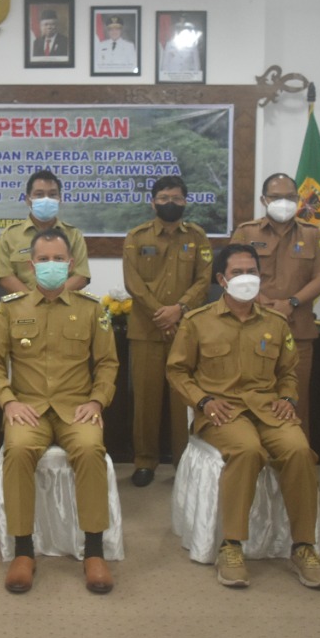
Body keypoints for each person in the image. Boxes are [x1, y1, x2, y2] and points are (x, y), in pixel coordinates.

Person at [166, 243, 320, 590]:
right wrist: (204, 401)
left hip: (270, 408)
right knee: (247, 451)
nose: (246, 279)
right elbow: (178, 372)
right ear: (222, 280)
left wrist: (288, 397)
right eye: (238, 273)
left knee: (299, 451)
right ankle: (232, 545)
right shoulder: (197, 322)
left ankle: (303, 546)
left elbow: (288, 372)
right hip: (222, 410)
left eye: (252, 272)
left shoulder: (275, 322)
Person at [0, 229, 119, 595]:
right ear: (31, 265)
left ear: (71, 264)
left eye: (59, 259)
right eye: (44, 260)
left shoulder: (92, 309)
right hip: (28, 407)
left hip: (77, 407)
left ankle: (94, 551)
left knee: (91, 450)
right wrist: (9, 401)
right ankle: (23, 552)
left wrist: (97, 401)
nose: (51, 266)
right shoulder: (10, 308)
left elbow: (107, 363)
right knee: (19, 450)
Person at [122, 175, 213, 486]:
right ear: (153, 202)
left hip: (186, 330)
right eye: (163, 198)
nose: (169, 203)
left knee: (182, 402)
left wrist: (179, 310)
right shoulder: (136, 236)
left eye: (176, 198)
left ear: (185, 201)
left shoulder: (198, 237)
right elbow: (133, 283)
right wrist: (161, 314)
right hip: (146, 330)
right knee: (145, 402)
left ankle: (184, 463)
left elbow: (204, 280)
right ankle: (144, 462)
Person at [230, 173, 320, 435]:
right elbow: (231, 272)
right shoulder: (246, 232)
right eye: (276, 197)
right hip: (251, 327)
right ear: (263, 199)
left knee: (295, 400)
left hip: (296, 328)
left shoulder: (312, 234)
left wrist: (292, 302)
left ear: (299, 200)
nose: (283, 202)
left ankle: (295, 463)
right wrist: (261, 301)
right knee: (249, 396)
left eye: (290, 197)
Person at [0, 169, 90, 294]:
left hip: (64, 306)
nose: (46, 199)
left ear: (60, 199)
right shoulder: (9, 235)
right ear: (28, 199)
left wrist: (52, 297)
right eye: (39, 194)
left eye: (52, 195)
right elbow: (4, 277)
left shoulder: (74, 235)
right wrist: (33, 300)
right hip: (23, 307)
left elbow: (81, 276)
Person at [159, 16, 203, 81]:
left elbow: (196, 64)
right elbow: (165, 64)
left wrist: (196, 79)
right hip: (172, 77)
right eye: (180, 28)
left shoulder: (193, 45)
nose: (182, 30)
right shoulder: (169, 44)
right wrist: (164, 79)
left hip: (188, 77)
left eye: (184, 28)